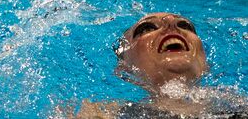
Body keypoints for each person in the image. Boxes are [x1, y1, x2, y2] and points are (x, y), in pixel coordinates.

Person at [61, 12, 247, 119]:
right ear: (123, 69)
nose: (171, 25)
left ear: (206, 63)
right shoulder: (99, 114)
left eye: (185, 25)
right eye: (147, 28)